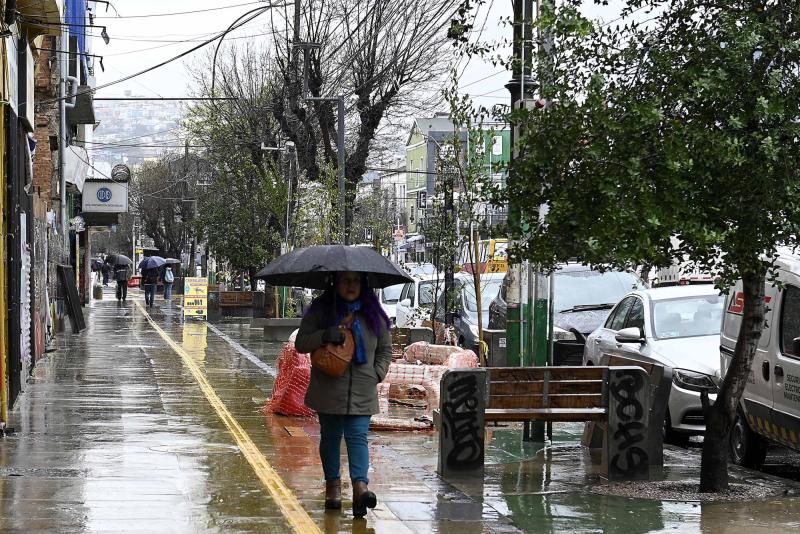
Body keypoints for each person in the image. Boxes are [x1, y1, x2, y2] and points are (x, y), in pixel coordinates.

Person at [295, 271, 392, 518]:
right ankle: (333, 487)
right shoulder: (320, 310)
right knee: (330, 437)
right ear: (335, 283)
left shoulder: (373, 313)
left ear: (364, 284)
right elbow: (301, 343)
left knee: (358, 436)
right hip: (328, 388)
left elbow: (385, 349)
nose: (351, 285)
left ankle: (361, 487)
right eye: (346, 280)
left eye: (356, 280)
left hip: (363, 388)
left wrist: (377, 374)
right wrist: (325, 335)